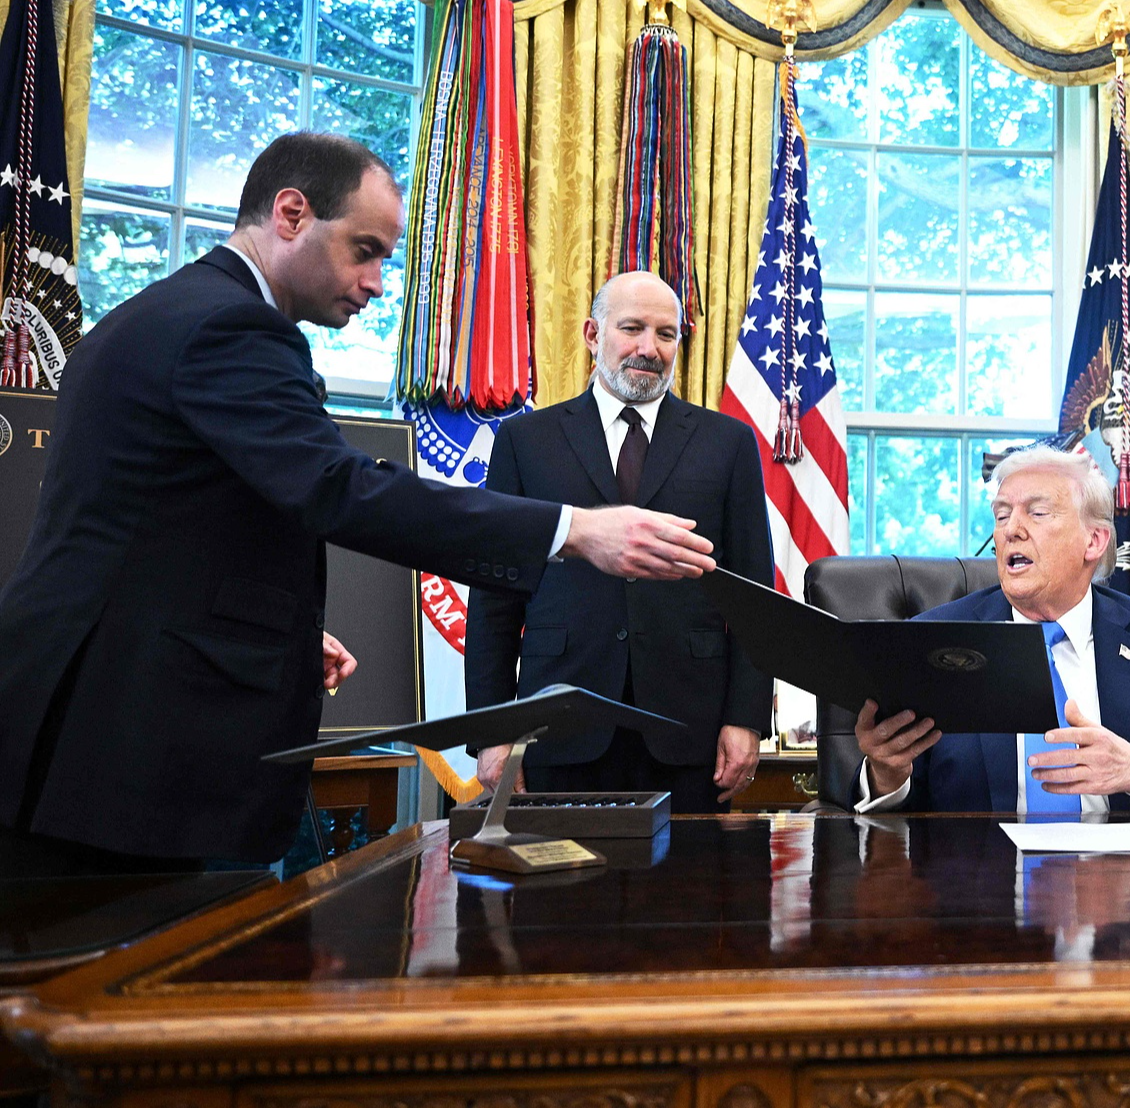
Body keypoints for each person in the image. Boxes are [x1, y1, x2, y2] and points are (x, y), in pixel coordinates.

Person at [0, 133, 717, 874]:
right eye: (364, 249)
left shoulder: (168, 312)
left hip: (97, 716)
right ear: (290, 213)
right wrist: (574, 530)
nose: (377, 282)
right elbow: (335, 488)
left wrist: (275, 628)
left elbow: (163, 519)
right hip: (117, 740)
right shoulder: (231, 328)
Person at [465, 272, 773, 809]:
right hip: (558, 723)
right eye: (631, 328)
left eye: (666, 334)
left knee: (690, 890)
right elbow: (494, 597)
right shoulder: (526, 442)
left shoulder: (728, 443)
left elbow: (754, 595)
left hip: (689, 729)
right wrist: (492, 732)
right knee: (563, 891)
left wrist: (745, 719)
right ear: (592, 333)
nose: (648, 349)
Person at [854, 447, 1130, 814]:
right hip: (978, 880)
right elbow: (890, 801)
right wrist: (887, 774)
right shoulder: (936, 640)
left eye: (1037, 513)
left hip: (1120, 880)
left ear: (1093, 541)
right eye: (1002, 514)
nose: (1011, 529)